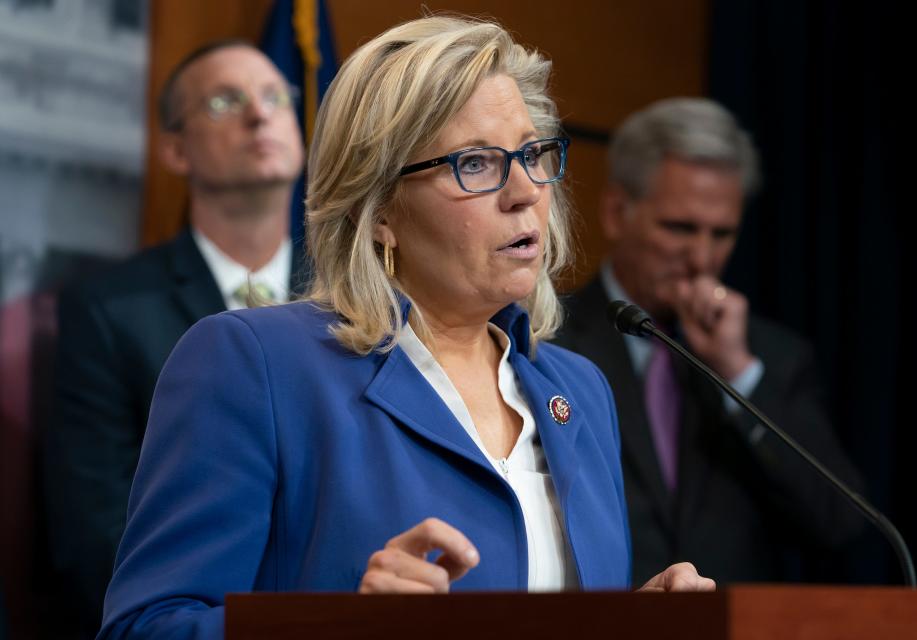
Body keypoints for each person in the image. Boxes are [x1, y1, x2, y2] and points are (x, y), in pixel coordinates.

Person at [97, 17, 714, 640]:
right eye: (475, 163)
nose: (525, 190)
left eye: (531, 154)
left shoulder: (578, 391)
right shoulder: (253, 363)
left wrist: (630, 619)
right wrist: (345, 624)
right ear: (380, 210)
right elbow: (146, 628)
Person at [44, 40, 307, 634]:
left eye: (274, 98)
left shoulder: (358, 296)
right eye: (225, 101)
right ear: (175, 148)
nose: (260, 115)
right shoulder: (110, 310)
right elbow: (95, 536)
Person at [554, 98, 864, 586]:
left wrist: (738, 372)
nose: (702, 258)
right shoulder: (547, 339)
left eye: (722, 234)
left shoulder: (773, 357)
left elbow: (838, 521)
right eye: (680, 228)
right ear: (617, 212)